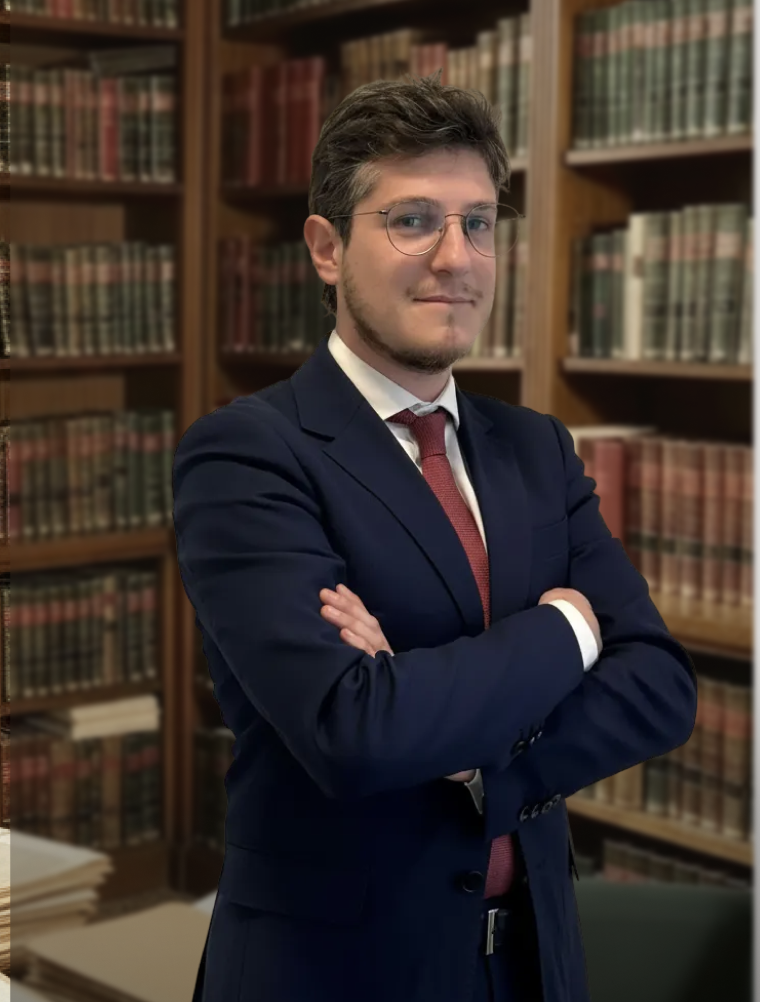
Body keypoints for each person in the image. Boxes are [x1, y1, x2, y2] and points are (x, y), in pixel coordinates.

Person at [173, 70, 697, 1002]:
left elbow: (659, 686)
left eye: (480, 222)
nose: (456, 257)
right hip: (336, 974)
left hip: (531, 964)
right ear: (327, 249)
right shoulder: (248, 455)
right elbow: (355, 732)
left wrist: (471, 758)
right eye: (412, 220)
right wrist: (567, 635)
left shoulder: (535, 448)